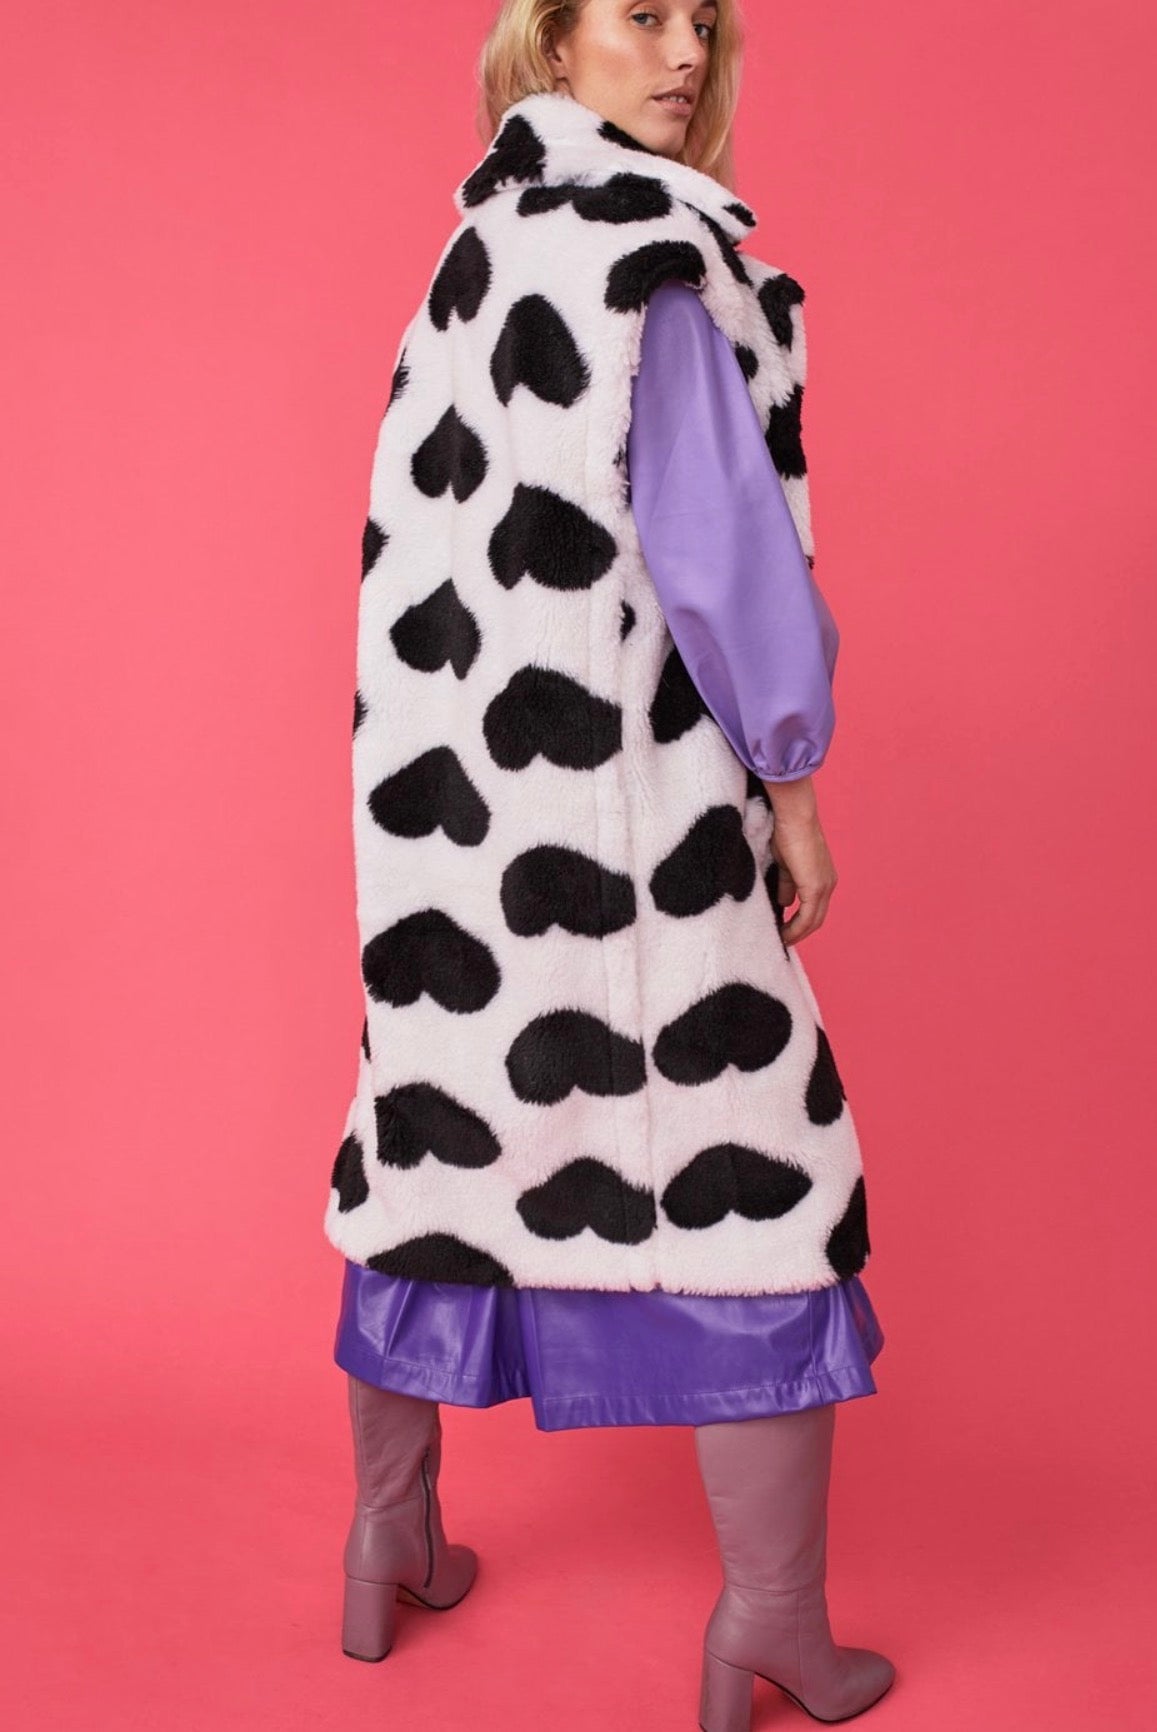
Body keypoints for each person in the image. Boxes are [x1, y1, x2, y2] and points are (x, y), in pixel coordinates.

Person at [326, 3, 897, 1725]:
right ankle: (770, 1623)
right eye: (640, 16)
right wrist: (792, 782)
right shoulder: (653, 256)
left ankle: (387, 1537)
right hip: (626, 815)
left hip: (447, 817)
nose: (683, 55)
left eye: (701, 21)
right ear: (549, 40)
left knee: (433, 1144)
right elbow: (722, 558)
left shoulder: (472, 255)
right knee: (755, 1178)